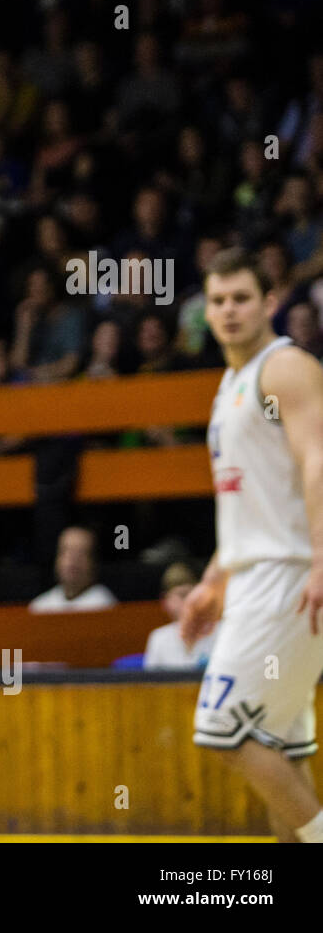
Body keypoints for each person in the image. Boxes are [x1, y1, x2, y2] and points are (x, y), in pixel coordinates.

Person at [180, 249, 323, 843]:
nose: (229, 310)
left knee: (225, 732)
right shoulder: (230, 384)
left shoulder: (283, 367)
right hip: (257, 575)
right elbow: (246, 503)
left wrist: (321, 556)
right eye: (218, 300)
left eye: (241, 297)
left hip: (289, 577)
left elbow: (317, 461)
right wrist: (213, 581)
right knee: (278, 750)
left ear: (270, 302)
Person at [143, 561, 216, 669]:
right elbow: (151, 684)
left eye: (194, 594)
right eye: (183, 595)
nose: (190, 601)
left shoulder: (221, 631)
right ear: (165, 601)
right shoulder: (158, 638)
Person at [29, 526, 119, 612]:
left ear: (94, 563)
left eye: (81, 553)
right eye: (66, 551)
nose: (73, 560)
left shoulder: (105, 605)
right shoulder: (40, 607)